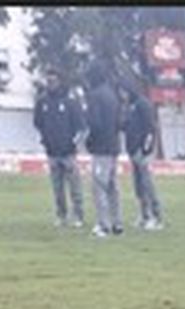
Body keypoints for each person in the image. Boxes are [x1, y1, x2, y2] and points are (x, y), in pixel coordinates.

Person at [33, 64, 87, 228]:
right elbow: (38, 123)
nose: (51, 84)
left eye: (54, 80)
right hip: (52, 152)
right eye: (48, 80)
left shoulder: (70, 101)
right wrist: (45, 140)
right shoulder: (42, 101)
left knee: (75, 187)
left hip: (68, 152)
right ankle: (61, 215)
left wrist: (73, 144)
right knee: (57, 189)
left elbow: (80, 127)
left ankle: (78, 215)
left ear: (60, 81)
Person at [84, 62, 123, 237]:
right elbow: (119, 122)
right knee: (113, 186)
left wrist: (90, 141)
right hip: (114, 145)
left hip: (101, 147)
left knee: (99, 186)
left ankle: (103, 224)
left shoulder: (95, 96)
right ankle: (117, 223)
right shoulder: (112, 95)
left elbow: (95, 122)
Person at [123, 85, 165, 231]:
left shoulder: (143, 104)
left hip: (142, 151)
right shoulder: (130, 106)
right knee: (138, 186)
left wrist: (147, 149)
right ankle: (144, 215)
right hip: (133, 151)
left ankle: (156, 217)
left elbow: (150, 128)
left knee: (147, 185)